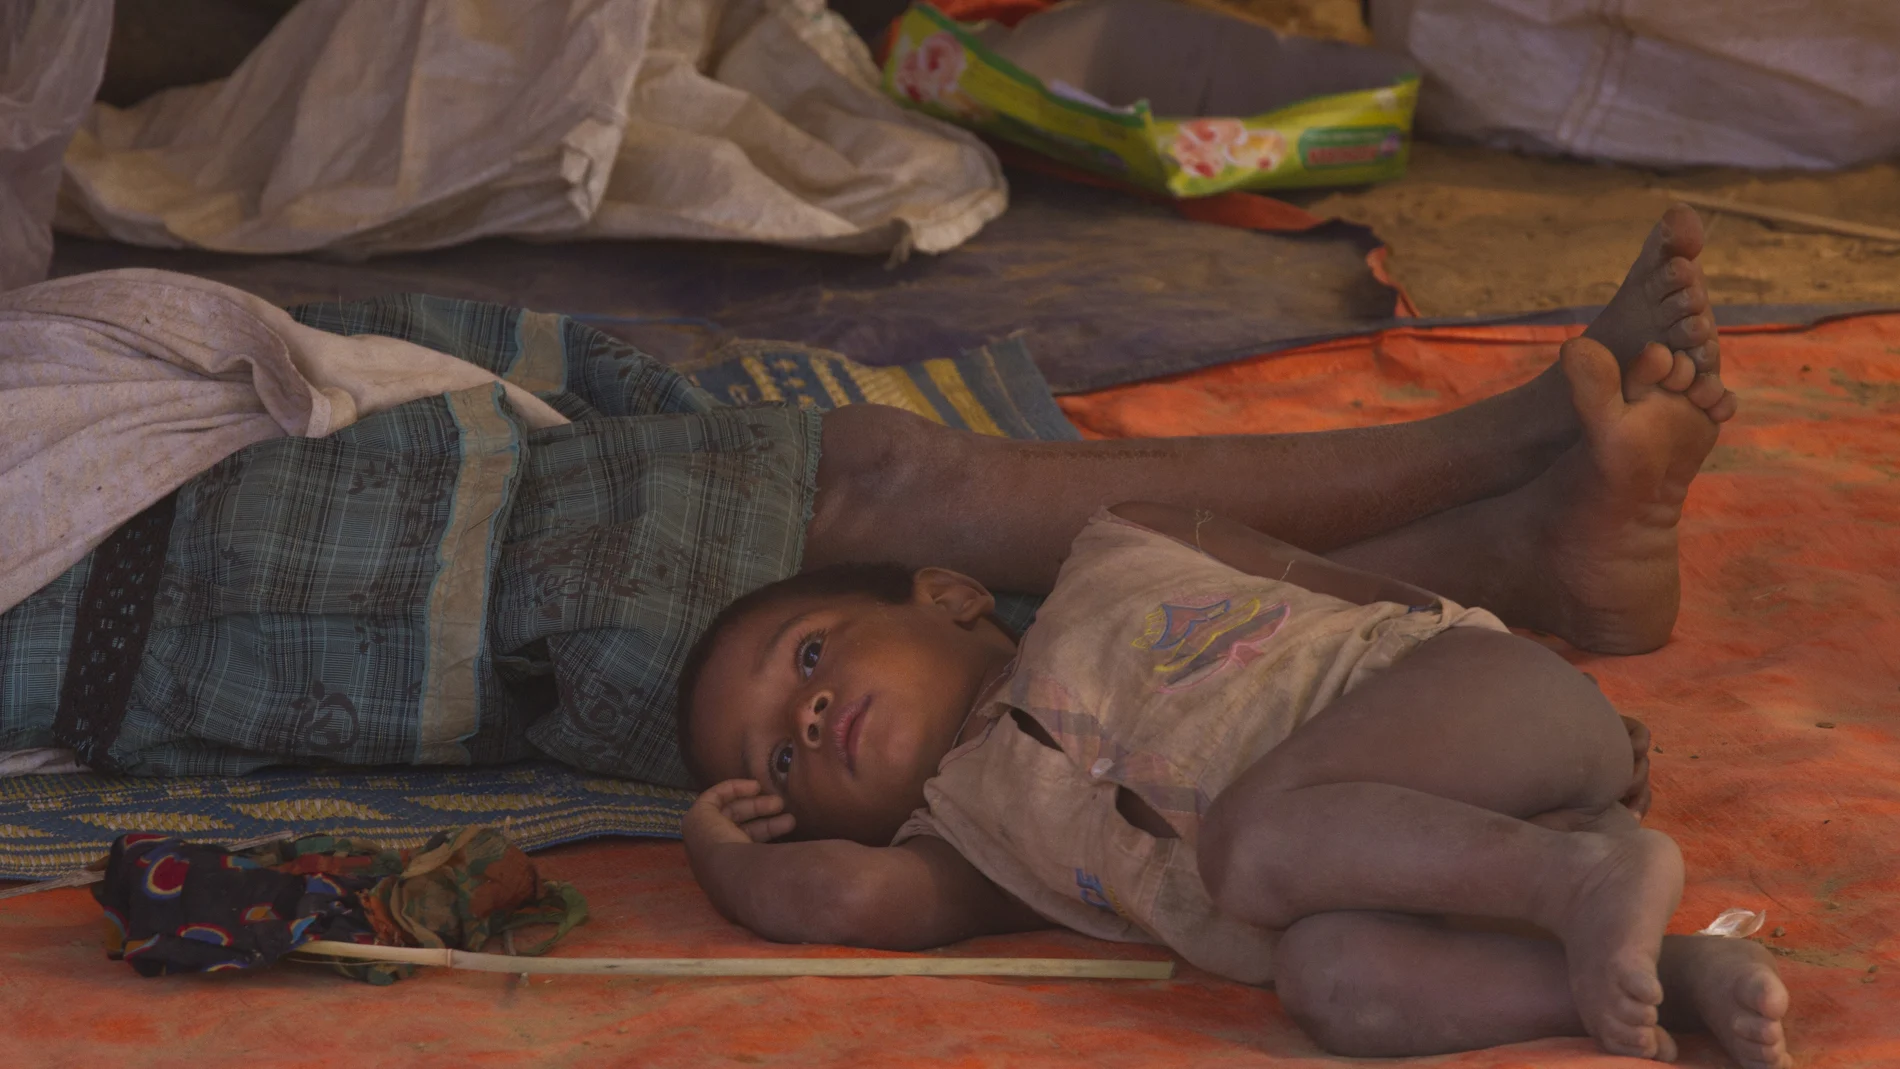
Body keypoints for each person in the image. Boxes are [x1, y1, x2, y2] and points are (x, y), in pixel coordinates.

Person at [2, 206, 1727, 787]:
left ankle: (1514, 489)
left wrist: (583, 377)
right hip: (494, 607)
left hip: (456, 495)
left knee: (968, 541)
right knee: (1032, 622)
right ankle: (1511, 521)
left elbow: (203, 351)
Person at [673, 334, 1789, 1069]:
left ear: (951, 592)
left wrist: (1541, 693)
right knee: (1330, 982)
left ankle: (1587, 872)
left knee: (1253, 849)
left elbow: (1347, 587)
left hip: (1468, 703)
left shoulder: (1116, 544)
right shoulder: (968, 843)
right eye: (776, 760)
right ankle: (1670, 975)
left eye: (809, 657)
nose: (805, 719)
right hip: (1436, 872)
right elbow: (846, 902)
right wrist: (725, 857)